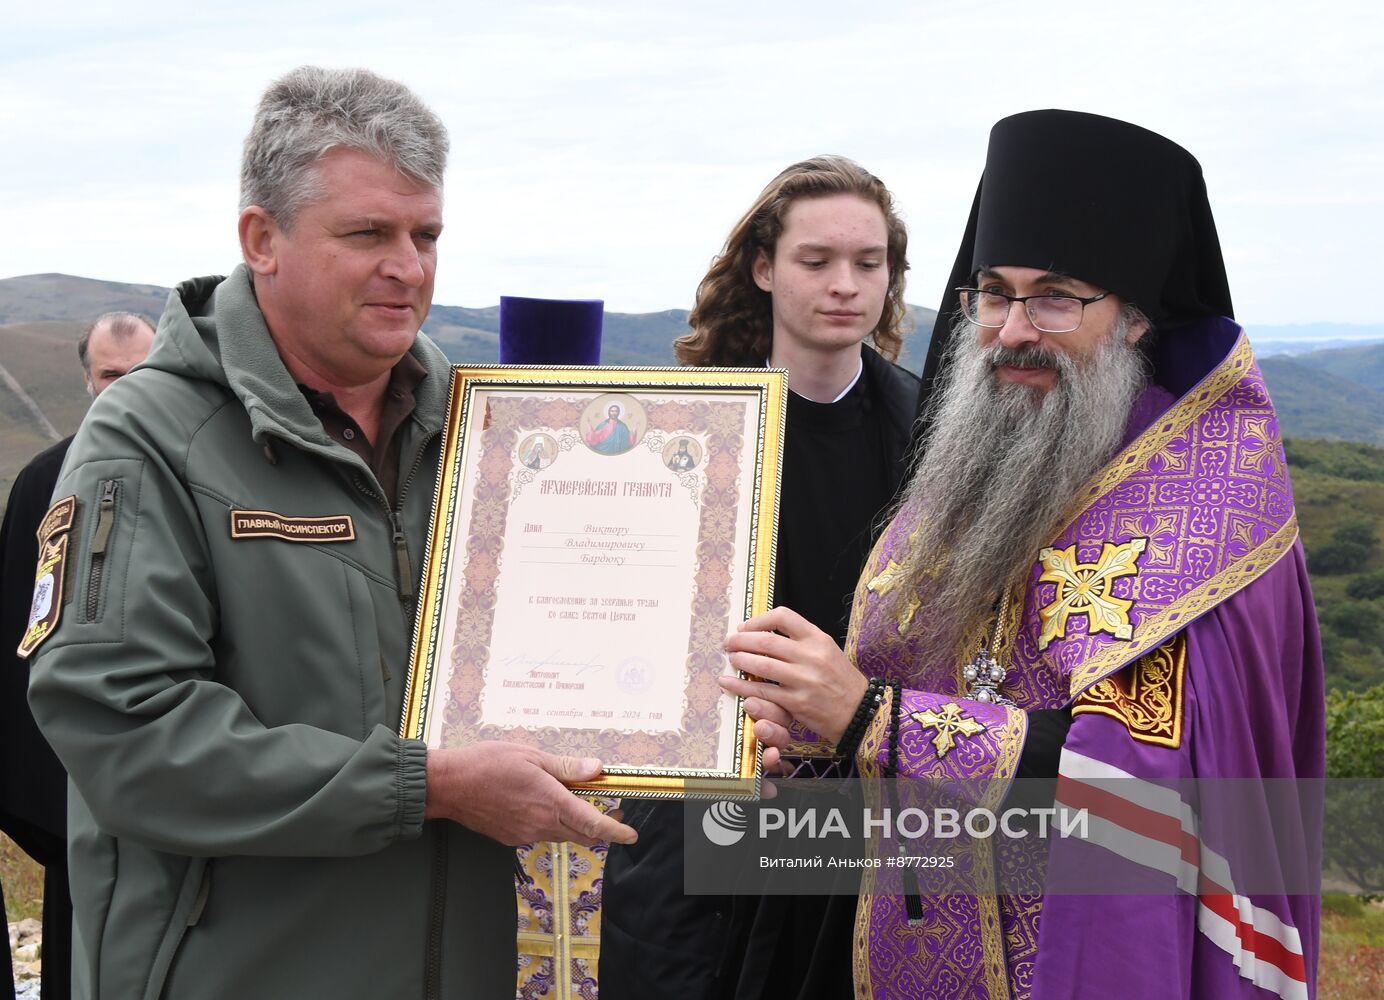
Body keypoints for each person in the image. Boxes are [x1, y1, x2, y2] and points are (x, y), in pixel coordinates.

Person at [26, 66, 635, 1000]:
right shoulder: (148, 438)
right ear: (261, 240)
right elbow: (125, 731)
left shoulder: (486, 435)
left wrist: (681, 705)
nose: (409, 266)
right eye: (368, 234)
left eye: (426, 234)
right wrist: (423, 787)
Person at [722, 111, 1323, 999]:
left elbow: (1145, 781)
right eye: (993, 293)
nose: (1010, 330)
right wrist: (821, 740)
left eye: (1056, 296)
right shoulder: (993, 449)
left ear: (1134, 318)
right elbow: (917, 679)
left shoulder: (1197, 504)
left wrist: (872, 720)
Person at [602, 155, 920, 999]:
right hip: (704, 817)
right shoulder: (682, 434)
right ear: (764, 267)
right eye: (816, 261)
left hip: (871, 823)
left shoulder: (939, 441)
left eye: (869, 262)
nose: (846, 285)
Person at [0, 311, 154, 1000]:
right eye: (110, 376)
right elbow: (18, 635)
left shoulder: (198, 470)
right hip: (75, 774)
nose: (124, 390)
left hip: (173, 754)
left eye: (139, 375)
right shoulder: (41, 482)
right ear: (87, 380)